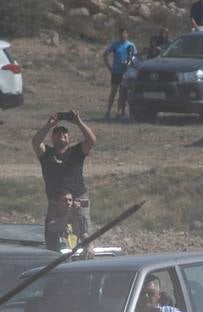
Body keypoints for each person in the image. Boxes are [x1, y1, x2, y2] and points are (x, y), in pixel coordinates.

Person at [32, 112, 96, 252]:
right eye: (57, 133)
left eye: (64, 133)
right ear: (52, 137)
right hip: (56, 199)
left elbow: (91, 140)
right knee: (53, 227)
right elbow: (36, 142)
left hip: (78, 196)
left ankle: (89, 249)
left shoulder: (76, 152)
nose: (61, 134)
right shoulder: (47, 154)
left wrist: (78, 122)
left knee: (82, 225)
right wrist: (49, 125)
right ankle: (53, 252)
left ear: (69, 138)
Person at [102, 27, 137, 119]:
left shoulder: (131, 45)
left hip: (126, 72)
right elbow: (105, 54)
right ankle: (108, 111)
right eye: (121, 33)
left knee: (123, 93)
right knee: (113, 91)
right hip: (116, 71)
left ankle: (119, 112)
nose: (123, 35)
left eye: (124, 33)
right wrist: (109, 67)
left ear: (127, 34)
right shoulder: (115, 45)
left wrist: (129, 64)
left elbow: (135, 57)